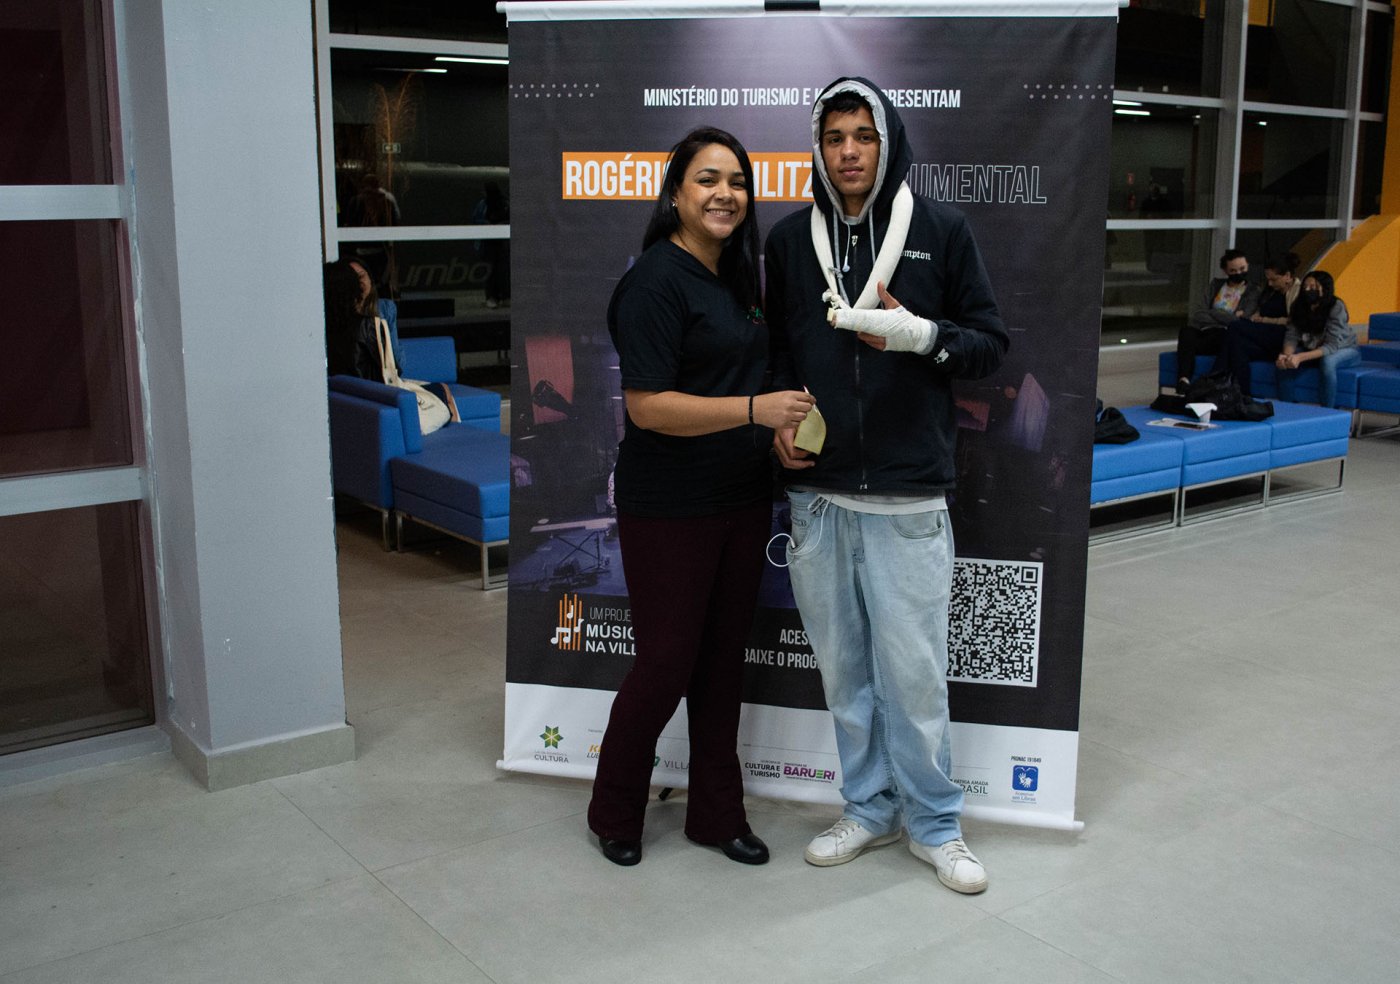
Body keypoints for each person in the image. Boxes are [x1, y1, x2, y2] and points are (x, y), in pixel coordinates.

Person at [764, 78, 1008, 894]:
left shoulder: (940, 230)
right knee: (845, 676)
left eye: (863, 136)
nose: (849, 152)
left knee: (915, 677)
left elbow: (989, 344)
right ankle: (867, 809)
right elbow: (776, 353)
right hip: (821, 499)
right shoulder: (790, 241)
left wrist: (924, 336)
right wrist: (776, 422)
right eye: (835, 137)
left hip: (908, 497)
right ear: (819, 147)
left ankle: (936, 824)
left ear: (888, 141)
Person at [587, 126, 815, 868]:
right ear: (676, 194)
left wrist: (776, 432)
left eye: (737, 182)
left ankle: (716, 816)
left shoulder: (736, 277)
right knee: (666, 665)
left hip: (740, 499)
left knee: (721, 666)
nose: (725, 194)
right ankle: (614, 811)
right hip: (669, 507)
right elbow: (648, 406)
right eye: (708, 180)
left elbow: (743, 374)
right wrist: (755, 411)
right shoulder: (656, 280)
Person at [1174, 249, 1260, 393]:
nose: (1238, 273)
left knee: (1219, 336)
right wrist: (1227, 315)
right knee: (1186, 332)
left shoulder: (1253, 291)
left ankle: (1208, 382)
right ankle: (1183, 380)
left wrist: (1213, 311)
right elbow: (1198, 313)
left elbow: (1240, 321)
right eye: (1233, 270)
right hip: (1205, 331)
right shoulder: (1216, 285)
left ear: (1248, 266)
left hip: (1225, 334)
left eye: (1242, 269)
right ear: (1226, 271)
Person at [1215, 252, 1300, 396]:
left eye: (1274, 279)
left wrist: (1265, 320)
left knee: (1235, 326)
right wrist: (1255, 316)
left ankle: (1215, 376)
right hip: (1263, 334)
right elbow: (1259, 309)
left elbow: (1292, 321)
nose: (1270, 283)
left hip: (1281, 334)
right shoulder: (1271, 291)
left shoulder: (1297, 291)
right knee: (1237, 345)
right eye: (1268, 279)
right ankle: (1242, 393)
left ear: (1287, 276)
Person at [1275, 270, 1360, 408]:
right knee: (1284, 363)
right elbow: (1292, 335)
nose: (1308, 290)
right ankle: (1286, 408)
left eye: (1313, 287)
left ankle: (1328, 411)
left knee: (1327, 362)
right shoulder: (1299, 305)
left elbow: (1331, 346)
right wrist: (1287, 356)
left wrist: (1300, 357)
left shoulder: (1336, 306)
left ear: (1324, 289)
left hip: (1345, 349)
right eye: (1305, 287)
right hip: (1313, 347)